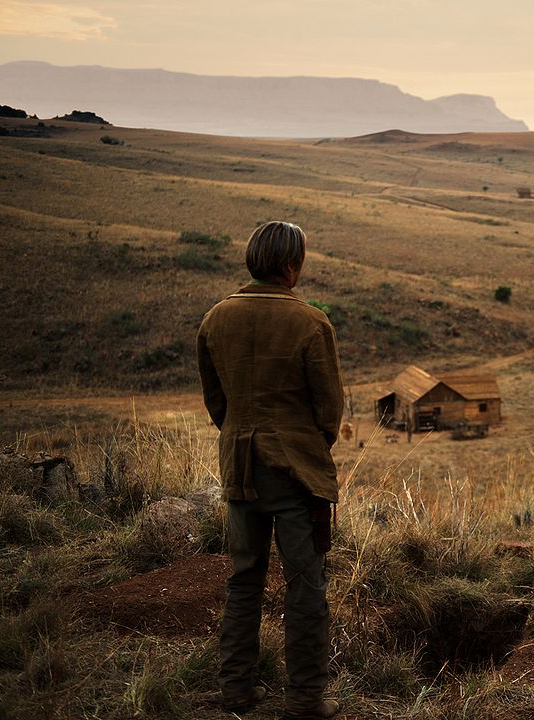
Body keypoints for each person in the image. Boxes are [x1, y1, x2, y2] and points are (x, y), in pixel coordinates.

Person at [197, 221, 344, 719]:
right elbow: (329, 412)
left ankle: (236, 687)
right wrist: (305, 445)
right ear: (290, 265)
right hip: (294, 472)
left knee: (244, 579)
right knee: (305, 583)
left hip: (239, 467)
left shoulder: (216, 318)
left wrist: (242, 434)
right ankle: (304, 698)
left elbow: (216, 402)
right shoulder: (311, 322)